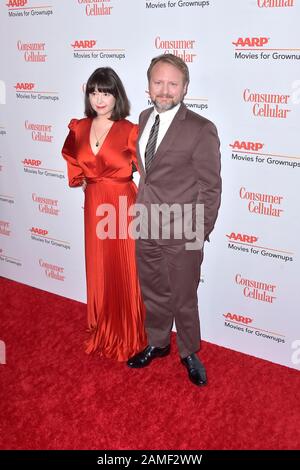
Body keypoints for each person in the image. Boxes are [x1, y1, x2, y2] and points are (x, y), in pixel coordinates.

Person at [127, 54, 222, 386]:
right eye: (158, 82)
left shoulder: (201, 129)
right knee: (153, 290)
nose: (164, 90)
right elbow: (148, 175)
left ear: (184, 88)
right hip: (146, 223)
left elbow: (210, 187)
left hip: (183, 231)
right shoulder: (141, 118)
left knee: (184, 295)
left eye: (172, 84)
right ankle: (157, 342)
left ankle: (189, 351)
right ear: (148, 86)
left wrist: (199, 231)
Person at [61, 67, 147, 361]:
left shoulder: (129, 130)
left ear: (116, 95)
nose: (99, 98)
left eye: (106, 92)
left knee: (124, 268)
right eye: (94, 92)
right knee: (99, 265)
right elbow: (74, 165)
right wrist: (83, 179)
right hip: (95, 204)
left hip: (123, 206)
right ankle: (102, 324)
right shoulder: (78, 128)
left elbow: (148, 170)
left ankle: (128, 330)